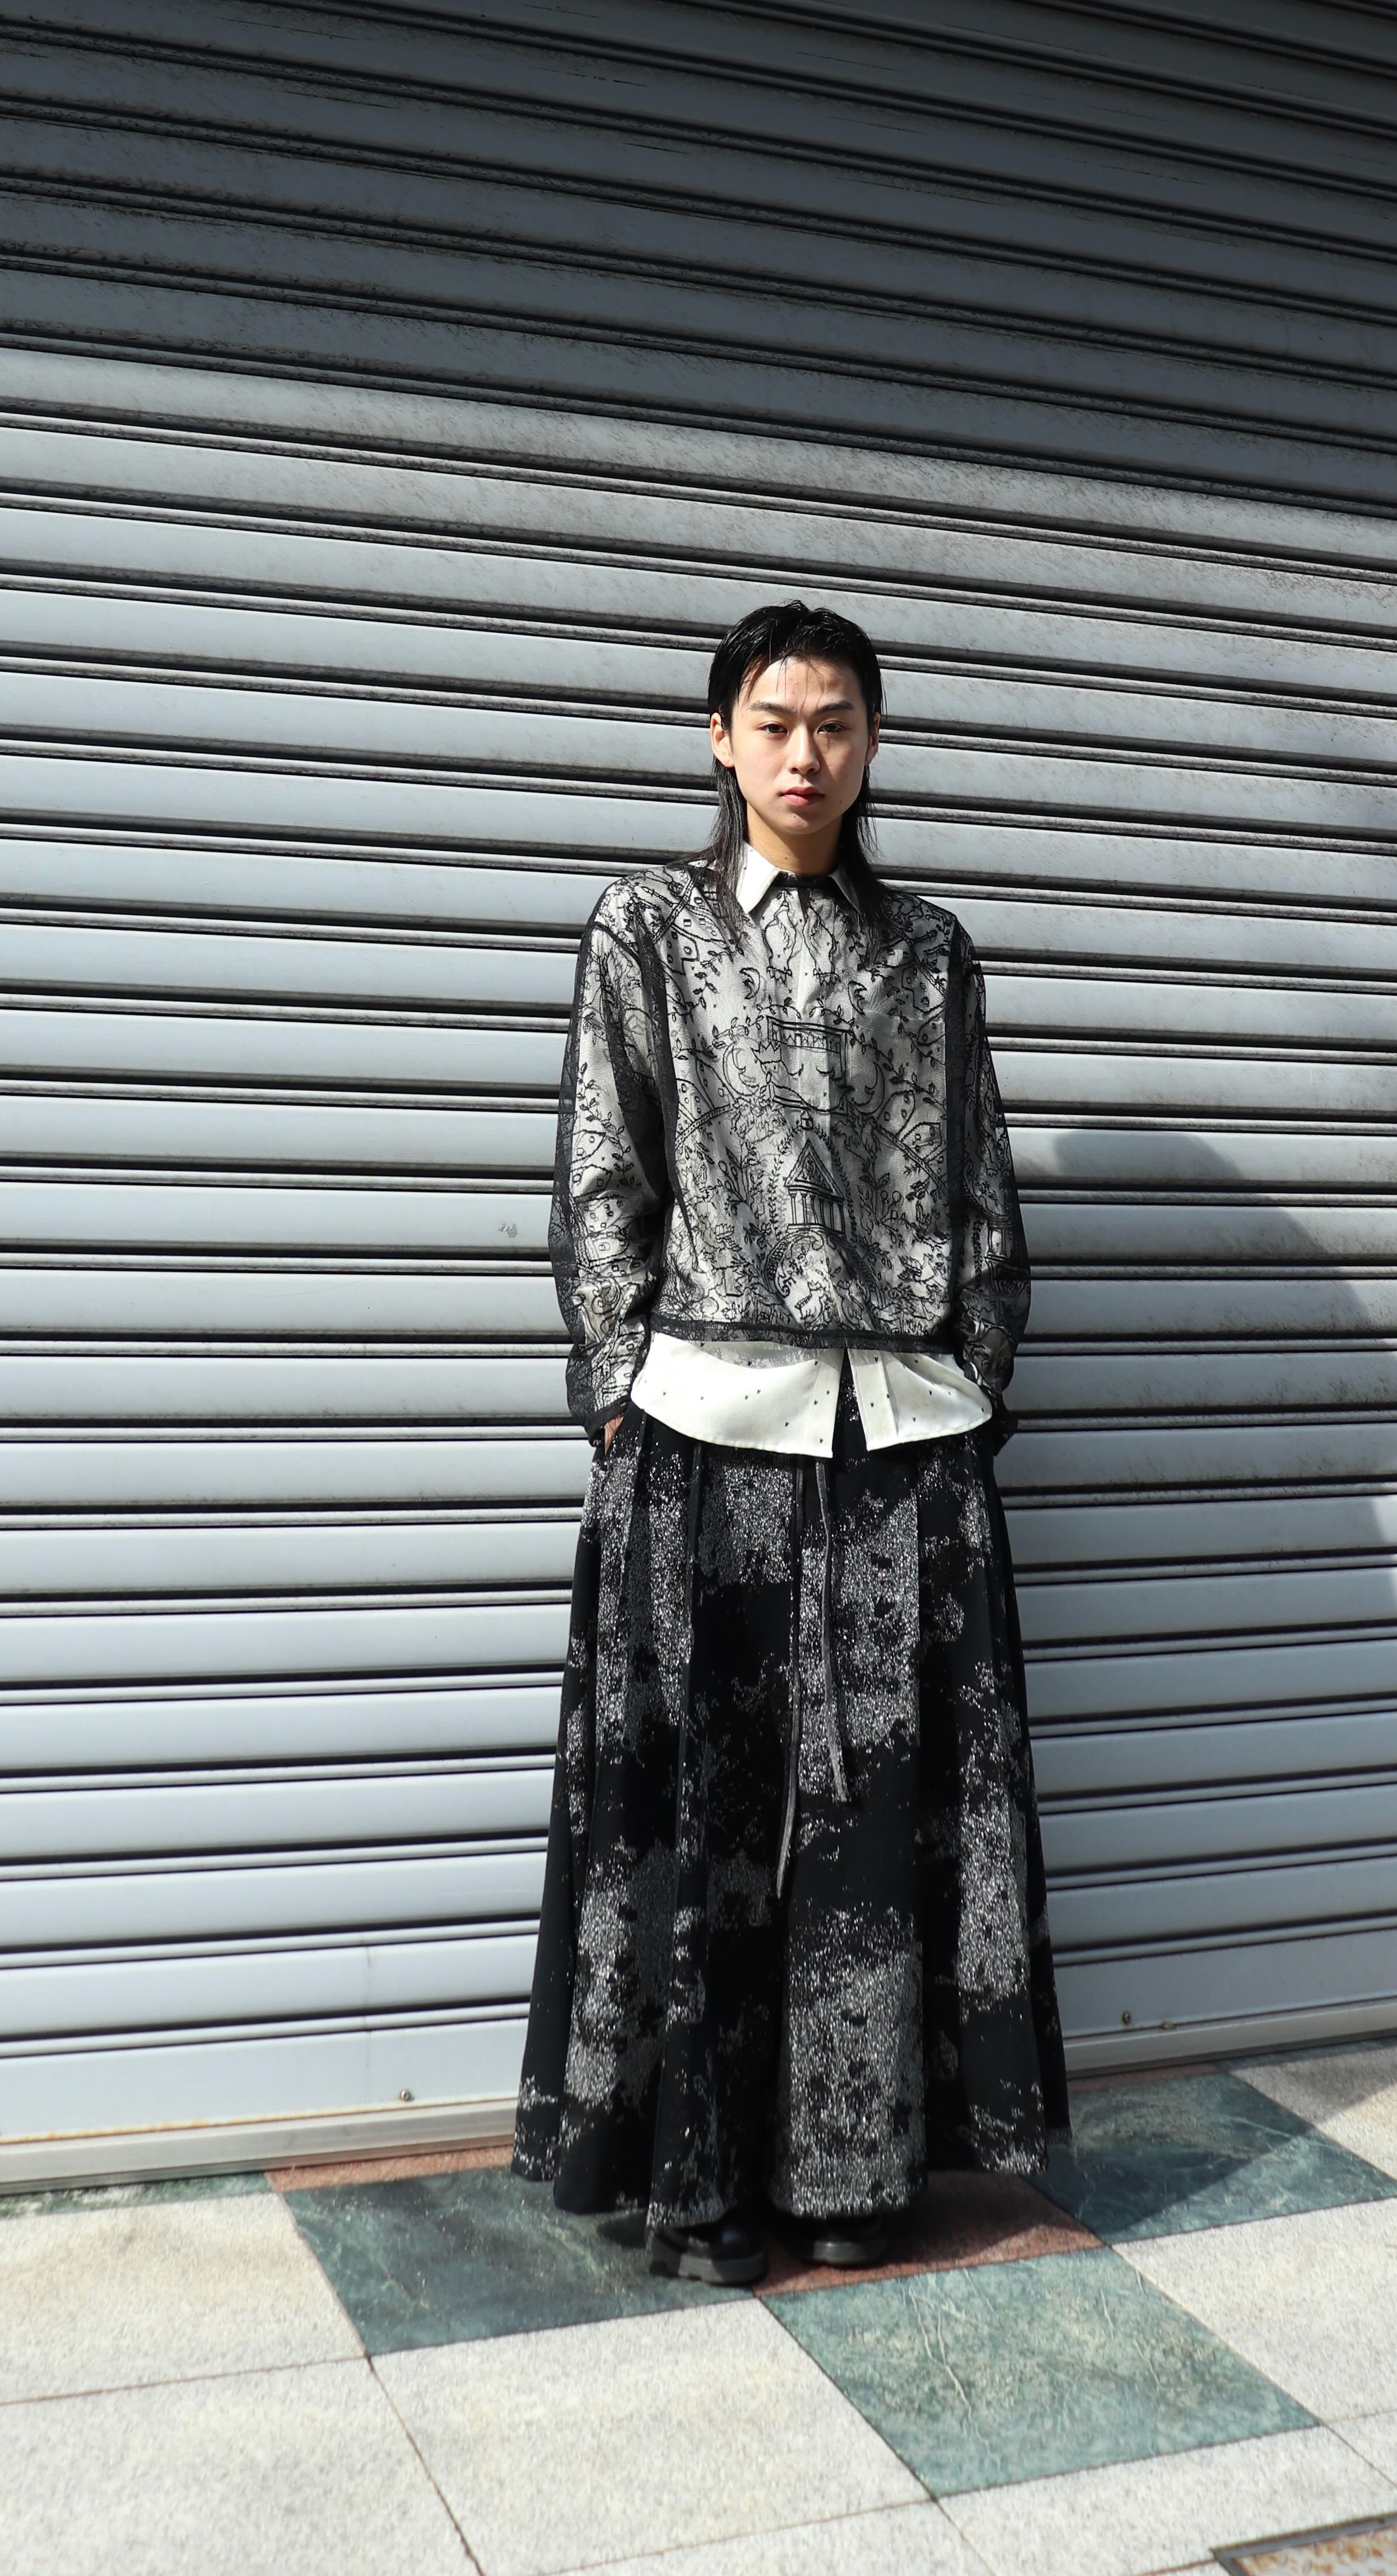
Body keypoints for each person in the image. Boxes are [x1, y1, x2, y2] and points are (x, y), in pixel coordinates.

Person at [512, 600, 1069, 2284]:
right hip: (706, 1433)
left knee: (875, 1828)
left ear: (873, 742)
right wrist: (621, 1389)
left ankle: (855, 2176)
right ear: (720, 738)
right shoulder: (649, 928)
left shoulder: (930, 953)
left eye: (835, 722)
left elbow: (980, 1192)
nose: (804, 753)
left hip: (900, 1444)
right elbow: (602, 1175)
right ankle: (699, 2184)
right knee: (709, 1814)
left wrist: (975, 1383)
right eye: (773, 721)